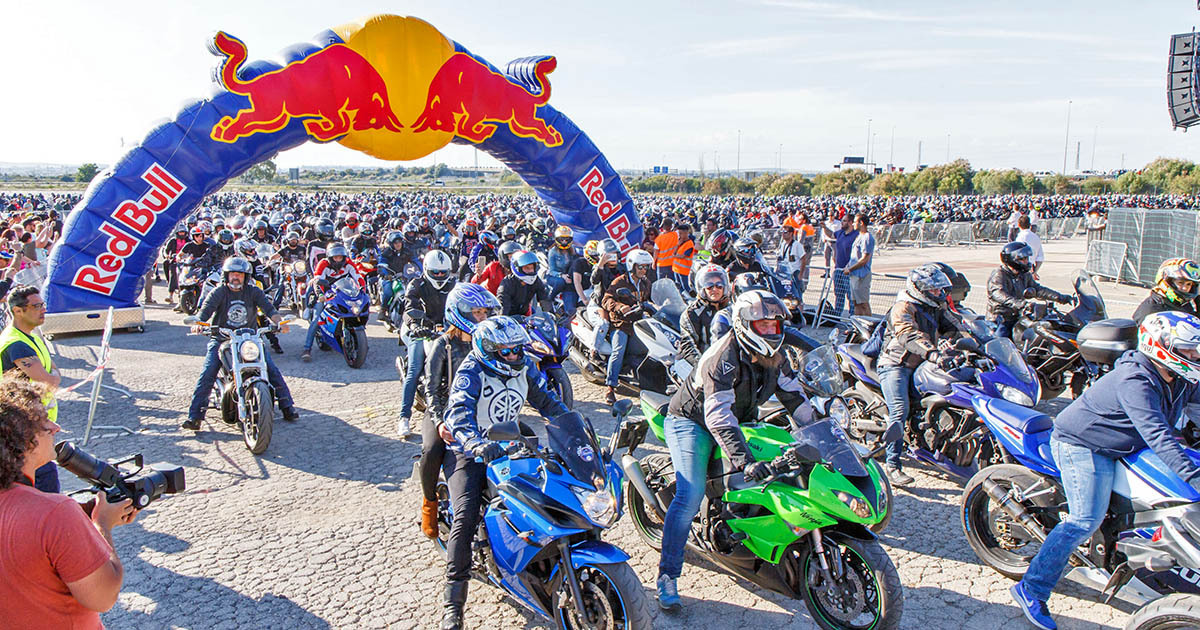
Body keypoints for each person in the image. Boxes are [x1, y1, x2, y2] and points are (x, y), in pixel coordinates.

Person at [1010, 311, 1200, 630]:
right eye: (1189, 350)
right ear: (1162, 347)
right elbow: (1159, 437)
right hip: (1085, 444)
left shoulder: (1179, 378)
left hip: (1128, 442)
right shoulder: (1136, 380)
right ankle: (1031, 589)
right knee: (1085, 520)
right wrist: (1195, 477)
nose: (1195, 356)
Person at [655, 290, 812, 611]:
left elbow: (795, 397)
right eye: (763, 325)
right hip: (692, 421)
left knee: (781, 467)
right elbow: (718, 416)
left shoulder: (777, 356)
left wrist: (823, 430)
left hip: (739, 418)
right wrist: (745, 461)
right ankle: (667, 576)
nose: (770, 331)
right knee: (689, 495)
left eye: (775, 325)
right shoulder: (723, 356)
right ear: (744, 325)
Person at [438, 316, 569, 630]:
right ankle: (453, 605)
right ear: (488, 350)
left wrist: (572, 426)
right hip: (468, 450)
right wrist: (474, 443)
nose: (512, 356)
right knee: (465, 517)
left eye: (516, 349)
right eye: (504, 351)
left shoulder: (525, 368)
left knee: (549, 492)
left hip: (509, 443)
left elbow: (549, 402)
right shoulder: (471, 371)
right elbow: (458, 412)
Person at [0, 378, 140, 628]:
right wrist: (102, 525)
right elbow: (104, 596)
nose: (56, 427)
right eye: (44, 422)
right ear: (20, 441)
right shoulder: (54, 513)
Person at [417, 283, 498, 539]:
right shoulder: (444, 345)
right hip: (443, 409)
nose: (482, 317)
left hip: (478, 409)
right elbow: (431, 389)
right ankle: (429, 503)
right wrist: (440, 421)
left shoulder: (486, 342)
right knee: (432, 449)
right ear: (459, 313)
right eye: (476, 313)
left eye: (484, 312)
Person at [185, 258, 299, 430]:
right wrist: (198, 324)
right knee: (208, 373)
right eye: (232, 274)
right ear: (226, 275)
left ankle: (287, 406)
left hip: (249, 339)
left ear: (246, 277)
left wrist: (280, 323)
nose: (236, 277)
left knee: (271, 369)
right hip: (222, 339)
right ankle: (195, 416)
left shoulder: (253, 291)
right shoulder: (219, 292)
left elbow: (269, 310)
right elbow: (205, 311)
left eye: (239, 274)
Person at [876, 264, 961, 486]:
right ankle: (893, 466)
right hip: (896, 364)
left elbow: (956, 327)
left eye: (939, 289)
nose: (938, 292)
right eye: (933, 289)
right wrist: (932, 352)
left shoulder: (935, 306)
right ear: (918, 289)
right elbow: (908, 335)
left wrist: (976, 343)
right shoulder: (903, 307)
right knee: (900, 410)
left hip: (924, 363)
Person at [1, 285, 61, 493]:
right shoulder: (16, 344)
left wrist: (52, 376)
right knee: (45, 488)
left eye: (42, 304)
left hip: (33, 426)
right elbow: (48, 380)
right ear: (18, 311)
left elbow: (49, 370)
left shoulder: (30, 337)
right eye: (36, 306)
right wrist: (55, 377)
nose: (43, 310)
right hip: (26, 431)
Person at [397, 249, 456, 436]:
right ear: (426, 270)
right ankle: (404, 417)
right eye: (435, 272)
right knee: (414, 370)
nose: (439, 276)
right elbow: (409, 306)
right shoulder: (416, 284)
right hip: (421, 330)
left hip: (447, 330)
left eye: (443, 272)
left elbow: (464, 303)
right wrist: (415, 324)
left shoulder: (454, 284)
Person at [986, 242, 1072, 340]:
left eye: (1027, 258)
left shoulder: (1024, 274)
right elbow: (997, 293)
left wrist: (1062, 298)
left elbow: (1038, 289)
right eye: (1022, 259)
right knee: (1001, 342)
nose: (1026, 261)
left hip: (1018, 315)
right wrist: (1021, 304)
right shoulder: (999, 274)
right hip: (1001, 318)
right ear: (1011, 259)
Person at [601, 248, 653, 404]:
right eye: (640, 267)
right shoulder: (620, 282)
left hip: (638, 323)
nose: (643, 270)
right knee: (618, 351)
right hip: (621, 324)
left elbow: (650, 299)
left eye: (646, 267)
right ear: (632, 266)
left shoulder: (646, 283)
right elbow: (606, 300)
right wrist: (619, 307)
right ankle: (610, 387)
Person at [301, 243, 363, 362]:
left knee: (355, 310)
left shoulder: (349, 263)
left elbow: (358, 277)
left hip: (342, 292)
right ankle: (307, 348)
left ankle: (355, 338)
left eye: (340, 257)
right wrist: (320, 295)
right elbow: (317, 281)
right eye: (335, 257)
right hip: (326, 293)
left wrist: (362, 291)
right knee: (317, 319)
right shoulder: (323, 264)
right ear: (330, 257)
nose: (338, 259)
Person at [678, 264, 730, 366]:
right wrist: (703, 367)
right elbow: (689, 346)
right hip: (706, 363)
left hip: (731, 362)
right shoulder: (692, 313)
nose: (714, 289)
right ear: (702, 288)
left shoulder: (733, 308)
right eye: (709, 285)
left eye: (719, 285)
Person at [1132, 258, 1200, 322]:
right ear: (1167, 281)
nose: (1185, 288)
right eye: (1180, 282)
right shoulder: (1151, 308)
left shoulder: (1185, 305)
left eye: (1188, 284)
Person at [497, 250, 551, 317]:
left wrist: (550, 316)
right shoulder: (507, 284)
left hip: (526, 316)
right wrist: (506, 319)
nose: (531, 271)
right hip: (510, 317)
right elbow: (503, 310)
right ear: (517, 268)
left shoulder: (536, 281)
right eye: (527, 268)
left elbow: (545, 299)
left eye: (532, 268)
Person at [845, 213, 876, 316]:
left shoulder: (867, 237)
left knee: (863, 303)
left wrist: (850, 269)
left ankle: (869, 323)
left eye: (855, 222)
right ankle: (857, 323)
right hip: (854, 275)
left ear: (861, 223)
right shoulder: (859, 236)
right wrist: (848, 266)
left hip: (861, 275)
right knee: (856, 303)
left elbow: (864, 259)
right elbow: (854, 256)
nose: (853, 224)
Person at [546, 226, 577, 314]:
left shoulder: (573, 250)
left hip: (568, 276)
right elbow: (551, 270)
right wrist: (562, 276)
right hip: (554, 276)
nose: (564, 242)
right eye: (561, 240)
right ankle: (550, 299)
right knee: (561, 282)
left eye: (567, 240)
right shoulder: (553, 251)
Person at [831, 214, 857, 316]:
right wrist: (824, 228)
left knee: (850, 294)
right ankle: (837, 314)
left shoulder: (856, 235)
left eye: (844, 221)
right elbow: (832, 235)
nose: (842, 223)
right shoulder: (840, 233)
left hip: (849, 269)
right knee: (838, 293)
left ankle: (852, 315)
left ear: (850, 222)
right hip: (838, 268)